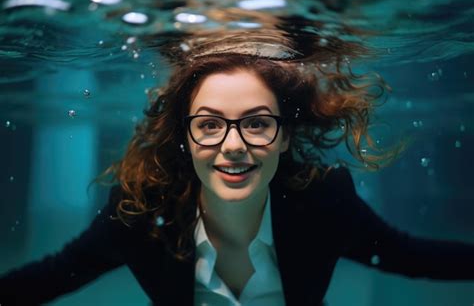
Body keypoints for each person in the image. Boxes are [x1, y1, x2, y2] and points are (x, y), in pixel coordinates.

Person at [1, 29, 473, 306]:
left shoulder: (325, 203)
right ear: (186, 138)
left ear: (285, 135)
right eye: (209, 125)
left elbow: (414, 257)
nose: (233, 146)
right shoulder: (141, 215)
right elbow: (49, 277)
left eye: (256, 123)